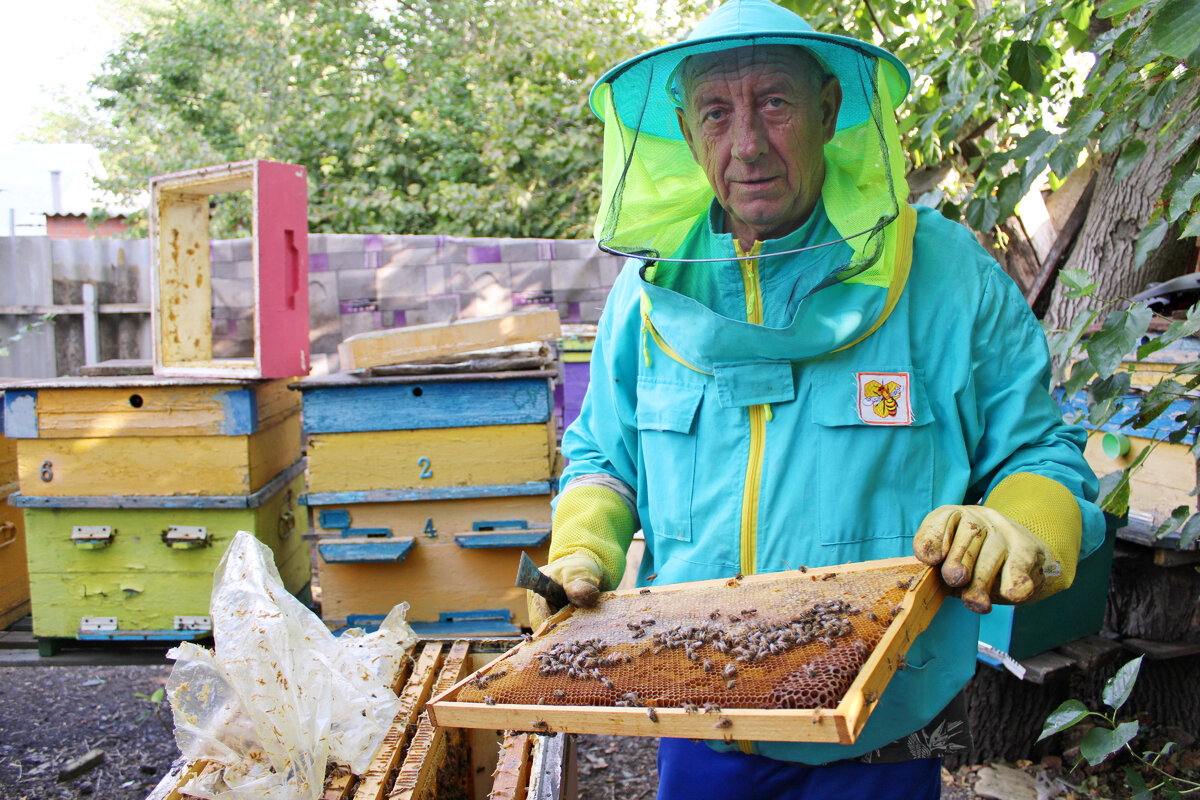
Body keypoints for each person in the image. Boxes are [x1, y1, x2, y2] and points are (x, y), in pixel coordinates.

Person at [529, 1, 1105, 797]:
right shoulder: (644, 296)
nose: (747, 145)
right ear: (686, 130)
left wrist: (1018, 523)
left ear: (830, 110)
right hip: (699, 723)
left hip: (880, 735)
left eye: (775, 102)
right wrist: (585, 547)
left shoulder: (946, 273)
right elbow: (603, 459)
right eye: (716, 112)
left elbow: (1039, 452)